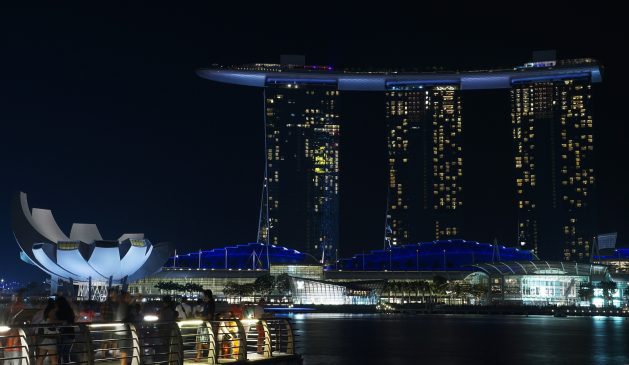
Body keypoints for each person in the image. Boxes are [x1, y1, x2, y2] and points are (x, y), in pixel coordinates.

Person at [55, 296, 75, 364]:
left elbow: (56, 322)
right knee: (66, 354)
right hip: (71, 334)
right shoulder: (70, 310)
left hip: (62, 333)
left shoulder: (58, 312)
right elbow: (72, 320)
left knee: (59, 354)